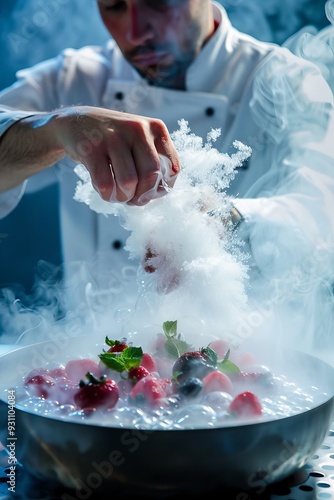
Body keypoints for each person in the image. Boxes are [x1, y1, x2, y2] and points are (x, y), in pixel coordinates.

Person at [0, 0, 333, 326]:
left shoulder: (289, 80)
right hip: (96, 364)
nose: (135, 32)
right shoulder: (72, 79)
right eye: (114, 6)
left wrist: (231, 219)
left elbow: (323, 216)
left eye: (157, 2)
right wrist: (56, 129)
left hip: (246, 361)